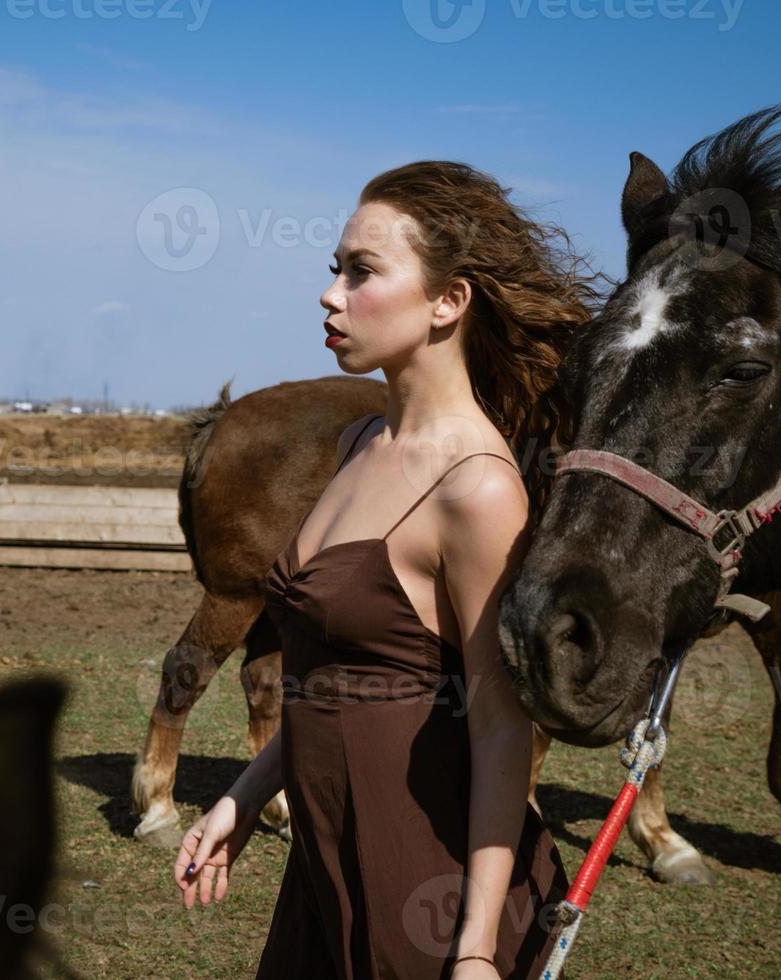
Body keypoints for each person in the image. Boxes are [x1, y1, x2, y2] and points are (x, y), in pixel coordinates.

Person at [172, 161, 598, 979]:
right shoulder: (361, 445)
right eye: (335, 268)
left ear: (449, 301)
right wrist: (244, 793)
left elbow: (502, 727)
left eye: (361, 272)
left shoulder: (476, 487)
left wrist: (474, 949)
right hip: (327, 870)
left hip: (422, 886)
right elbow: (345, 680)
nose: (330, 294)